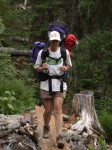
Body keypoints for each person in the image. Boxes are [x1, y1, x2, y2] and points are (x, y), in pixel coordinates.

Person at [34, 31, 72, 148]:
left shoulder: (64, 52)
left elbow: (69, 65)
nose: (55, 42)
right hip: (46, 83)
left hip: (60, 83)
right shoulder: (43, 52)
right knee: (48, 110)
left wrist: (66, 67)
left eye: (56, 40)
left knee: (58, 108)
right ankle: (46, 126)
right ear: (50, 40)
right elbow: (36, 68)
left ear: (59, 41)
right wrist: (42, 67)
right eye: (53, 40)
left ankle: (59, 135)